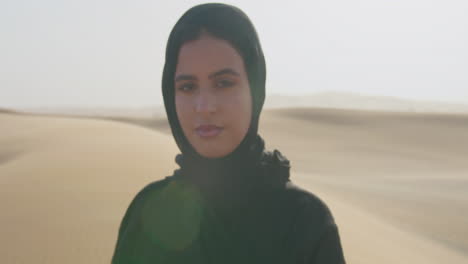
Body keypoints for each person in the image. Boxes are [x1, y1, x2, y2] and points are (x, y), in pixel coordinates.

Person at [111, 3, 345, 264]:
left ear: (254, 89)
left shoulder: (304, 221)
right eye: (188, 87)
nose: (205, 107)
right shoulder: (148, 213)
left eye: (223, 83)